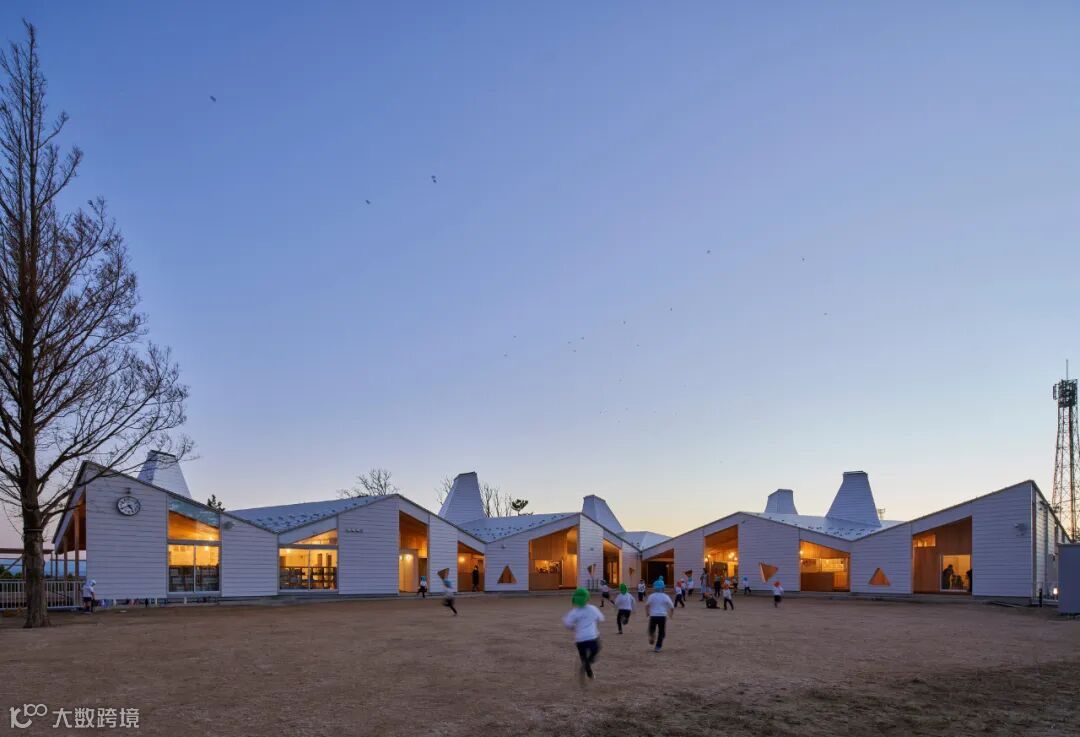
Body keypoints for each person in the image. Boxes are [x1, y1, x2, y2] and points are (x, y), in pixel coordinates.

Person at [563, 587, 604, 680]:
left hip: (580, 639)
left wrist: (574, 627)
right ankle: (588, 664)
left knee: (583, 656)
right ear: (587, 598)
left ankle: (589, 672)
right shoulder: (593, 609)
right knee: (595, 650)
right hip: (592, 637)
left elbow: (567, 623)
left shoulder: (575, 611)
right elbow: (601, 618)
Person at [645, 580, 675, 652]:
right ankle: (658, 646)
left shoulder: (652, 596)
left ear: (654, 588)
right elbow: (672, 607)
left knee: (652, 628)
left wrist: (647, 613)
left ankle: (652, 635)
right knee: (661, 632)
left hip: (653, 616)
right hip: (662, 616)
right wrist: (671, 615)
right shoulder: (665, 596)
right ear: (663, 588)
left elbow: (647, 605)